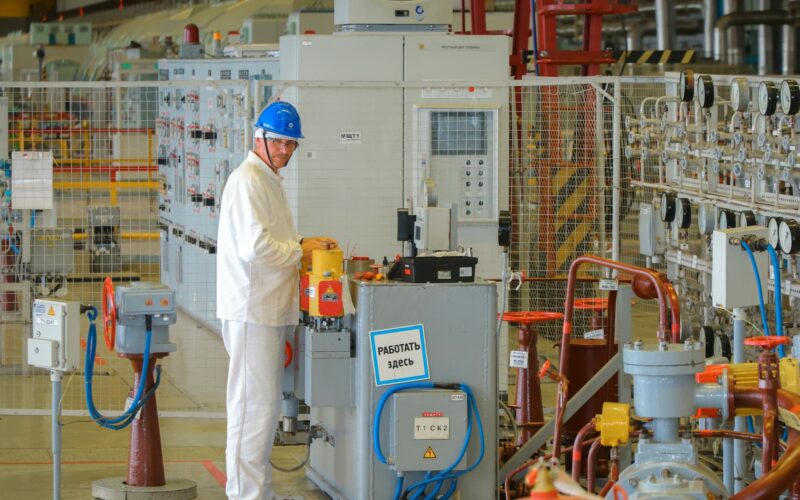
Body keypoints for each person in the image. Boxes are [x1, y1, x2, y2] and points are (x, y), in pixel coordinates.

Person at [216, 101, 336, 500]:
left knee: (262, 408)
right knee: (252, 408)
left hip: (265, 310)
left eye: (291, 144)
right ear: (260, 138)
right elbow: (256, 248)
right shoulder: (248, 181)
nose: (285, 150)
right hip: (252, 311)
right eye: (279, 142)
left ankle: (257, 491)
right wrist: (301, 249)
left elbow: (272, 239)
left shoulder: (267, 179)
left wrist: (302, 244)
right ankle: (245, 494)